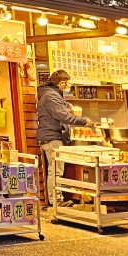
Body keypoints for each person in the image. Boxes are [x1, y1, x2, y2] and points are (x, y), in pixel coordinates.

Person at [36, 70, 92, 208]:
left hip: (51, 136)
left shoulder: (51, 95)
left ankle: (55, 200)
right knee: (55, 171)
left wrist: (67, 106)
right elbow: (63, 117)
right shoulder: (51, 96)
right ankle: (57, 201)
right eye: (68, 83)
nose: (68, 86)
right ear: (62, 83)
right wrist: (84, 121)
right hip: (52, 137)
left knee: (54, 170)